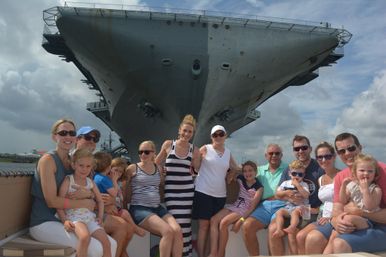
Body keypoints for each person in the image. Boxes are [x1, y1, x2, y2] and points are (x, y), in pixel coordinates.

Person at [29, 119, 117, 257]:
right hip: (45, 221)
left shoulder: (72, 163)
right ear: (54, 137)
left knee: (112, 244)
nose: (68, 136)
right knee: (96, 248)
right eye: (63, 133)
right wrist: (85, 202)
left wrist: (89, 196)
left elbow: (85, 190)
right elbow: (51, 201)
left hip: (70, 217)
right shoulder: (48, 160)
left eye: (72, 133)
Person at [305, 132, 386, 254]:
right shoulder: (341, 177)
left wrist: (361, 213)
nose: (347, 153)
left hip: (379, 226)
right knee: (312, 238)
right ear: (338, 154)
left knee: (340, 242)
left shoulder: (382, 171)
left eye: (351, 148)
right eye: (342, 151)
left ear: (360, 147)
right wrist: (336, 221)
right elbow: (337, 208)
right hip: (350, 220)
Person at [75, 126, 133, 257]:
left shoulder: (91, 167)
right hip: (81, 214)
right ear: (77, 139)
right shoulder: (74, 163)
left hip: (93, 210)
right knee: (122, 226)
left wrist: (110, 201)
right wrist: (101, 205)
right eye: (88, 137)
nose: (92, 141)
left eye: (95, 139)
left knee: (128, 229)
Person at [268, 135, 324, 255]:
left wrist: (318, 209)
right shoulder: (289, 169)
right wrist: (287, 193)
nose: (300, 151)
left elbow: (328, 192)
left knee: (295, 234)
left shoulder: (319, 168)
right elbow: (278, 195)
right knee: (273, 230)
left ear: (310, 149)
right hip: (290, 207)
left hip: (309, 210)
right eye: (296, 149)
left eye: (304, 148)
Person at [155, 114, 201, 257]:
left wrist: (201, 156)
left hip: (187, 191)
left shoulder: (195, 150)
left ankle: (185, 253)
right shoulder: (169, 144)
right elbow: (156, 162)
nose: (187, 134)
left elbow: (197, 170)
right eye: (185, 130)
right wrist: (162, 172)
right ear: (179, 130)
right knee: (175, 225)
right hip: (171, 192)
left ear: (193, 134)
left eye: (190, 132)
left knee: (185, 225)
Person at [128, 140, 183, 257]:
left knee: (177, 231)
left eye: (146, 152)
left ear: (154, 153)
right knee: (167, 231)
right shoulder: (132, 168)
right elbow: (122, 189)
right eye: (140, 152)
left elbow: (162, 184)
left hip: (157, 207)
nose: (143, 155)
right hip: (140, 209)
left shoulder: (158, 168)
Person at [192, 125, 241, 257]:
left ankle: (209, 254)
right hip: (203, 192)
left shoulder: (228, 153)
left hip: (220, 195)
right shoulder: (205, 148)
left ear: (225, 136)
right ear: (211, 137)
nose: (218, 137)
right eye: (215, 135)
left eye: (221, 134)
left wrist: (232, 175)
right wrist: (197, 159)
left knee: (211, 228)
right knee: (203, 227)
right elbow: (195, 168)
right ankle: (201, 255)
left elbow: (236, 167)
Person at [57, 149, 111, 257]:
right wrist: (65, 221)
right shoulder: (68, 180)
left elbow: (100, 201)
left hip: (90, 217)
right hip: (74, 217)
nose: (84, 169)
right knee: (85, 237)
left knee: (106, 242)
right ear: (73, 165)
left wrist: (100, 217)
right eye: (81, 165)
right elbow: (59, 203)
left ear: (92, 167)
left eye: (88, 166)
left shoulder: (91, 183)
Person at [324, 153, 382, 254]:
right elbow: (342, 200)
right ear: (355, 173)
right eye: (362, 170)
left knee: (347, 219)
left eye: (370, 171)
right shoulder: (352, 186)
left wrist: (365, 190)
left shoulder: (375, 190)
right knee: (334, 235)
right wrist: (343, 186)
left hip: (369, 221)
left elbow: (370, 206)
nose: (366, 173)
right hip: (354, 219)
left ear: (375, 174)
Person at [208, 161, 263, 257]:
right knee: (213, 220)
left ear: (255, 171)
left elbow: (251, 208)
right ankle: (213, 252)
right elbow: (230, 176)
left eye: (250, 170)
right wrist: (235, 172)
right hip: (235, 204)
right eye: (245, 171)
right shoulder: (241, 178)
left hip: (244, 209)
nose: (247, 173)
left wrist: (240, 221)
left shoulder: (259, 187)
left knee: (223, 223)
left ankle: (221, 254)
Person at [242, 143, 287, 256]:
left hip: (281, 206)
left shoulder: (288, 169)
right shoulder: (259, 170)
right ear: (266, 155)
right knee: (247, 226)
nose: (274, 156)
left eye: (277, 153)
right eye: (271, 153)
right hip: (264, 206)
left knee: (274, 230)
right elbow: (245, 173)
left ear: (281, 155)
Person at [296, 141, 339, 254]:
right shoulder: (321, 179)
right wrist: (310, 209)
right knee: (300, 236)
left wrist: (331, 217)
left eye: (327, 156)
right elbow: (324, 203)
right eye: (320, 157)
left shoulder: (341, 176)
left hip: (335, 218)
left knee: (311, 238)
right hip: (322, 217)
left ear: (334, 157)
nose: (323, 160)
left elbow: (345, 202)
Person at [93, 152, 145, 237]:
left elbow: (120, 199)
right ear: (110, 168)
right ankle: (135, 228)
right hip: (105, 210)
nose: (117, 173)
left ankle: (133, 229)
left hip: (114, 208)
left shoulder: (117, 183)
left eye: (120, 172)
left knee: (126, 217)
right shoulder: (105, 179)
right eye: (116, 170)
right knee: (125, 215)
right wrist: (114, 181)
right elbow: (114, 194)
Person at [272, 160, 310, 251]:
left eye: (300, 175)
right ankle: (279, 229)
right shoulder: (285, 183)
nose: (297, 176)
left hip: (302, 208)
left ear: (303, 175)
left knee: (294, 212)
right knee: (279, 212)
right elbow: (277, 194)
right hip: (288, 207)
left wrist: (298, 185)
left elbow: (306, 195)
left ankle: (292, 227)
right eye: (294, 174)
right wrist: (286, 192)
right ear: (289, 173)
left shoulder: (304, 184)